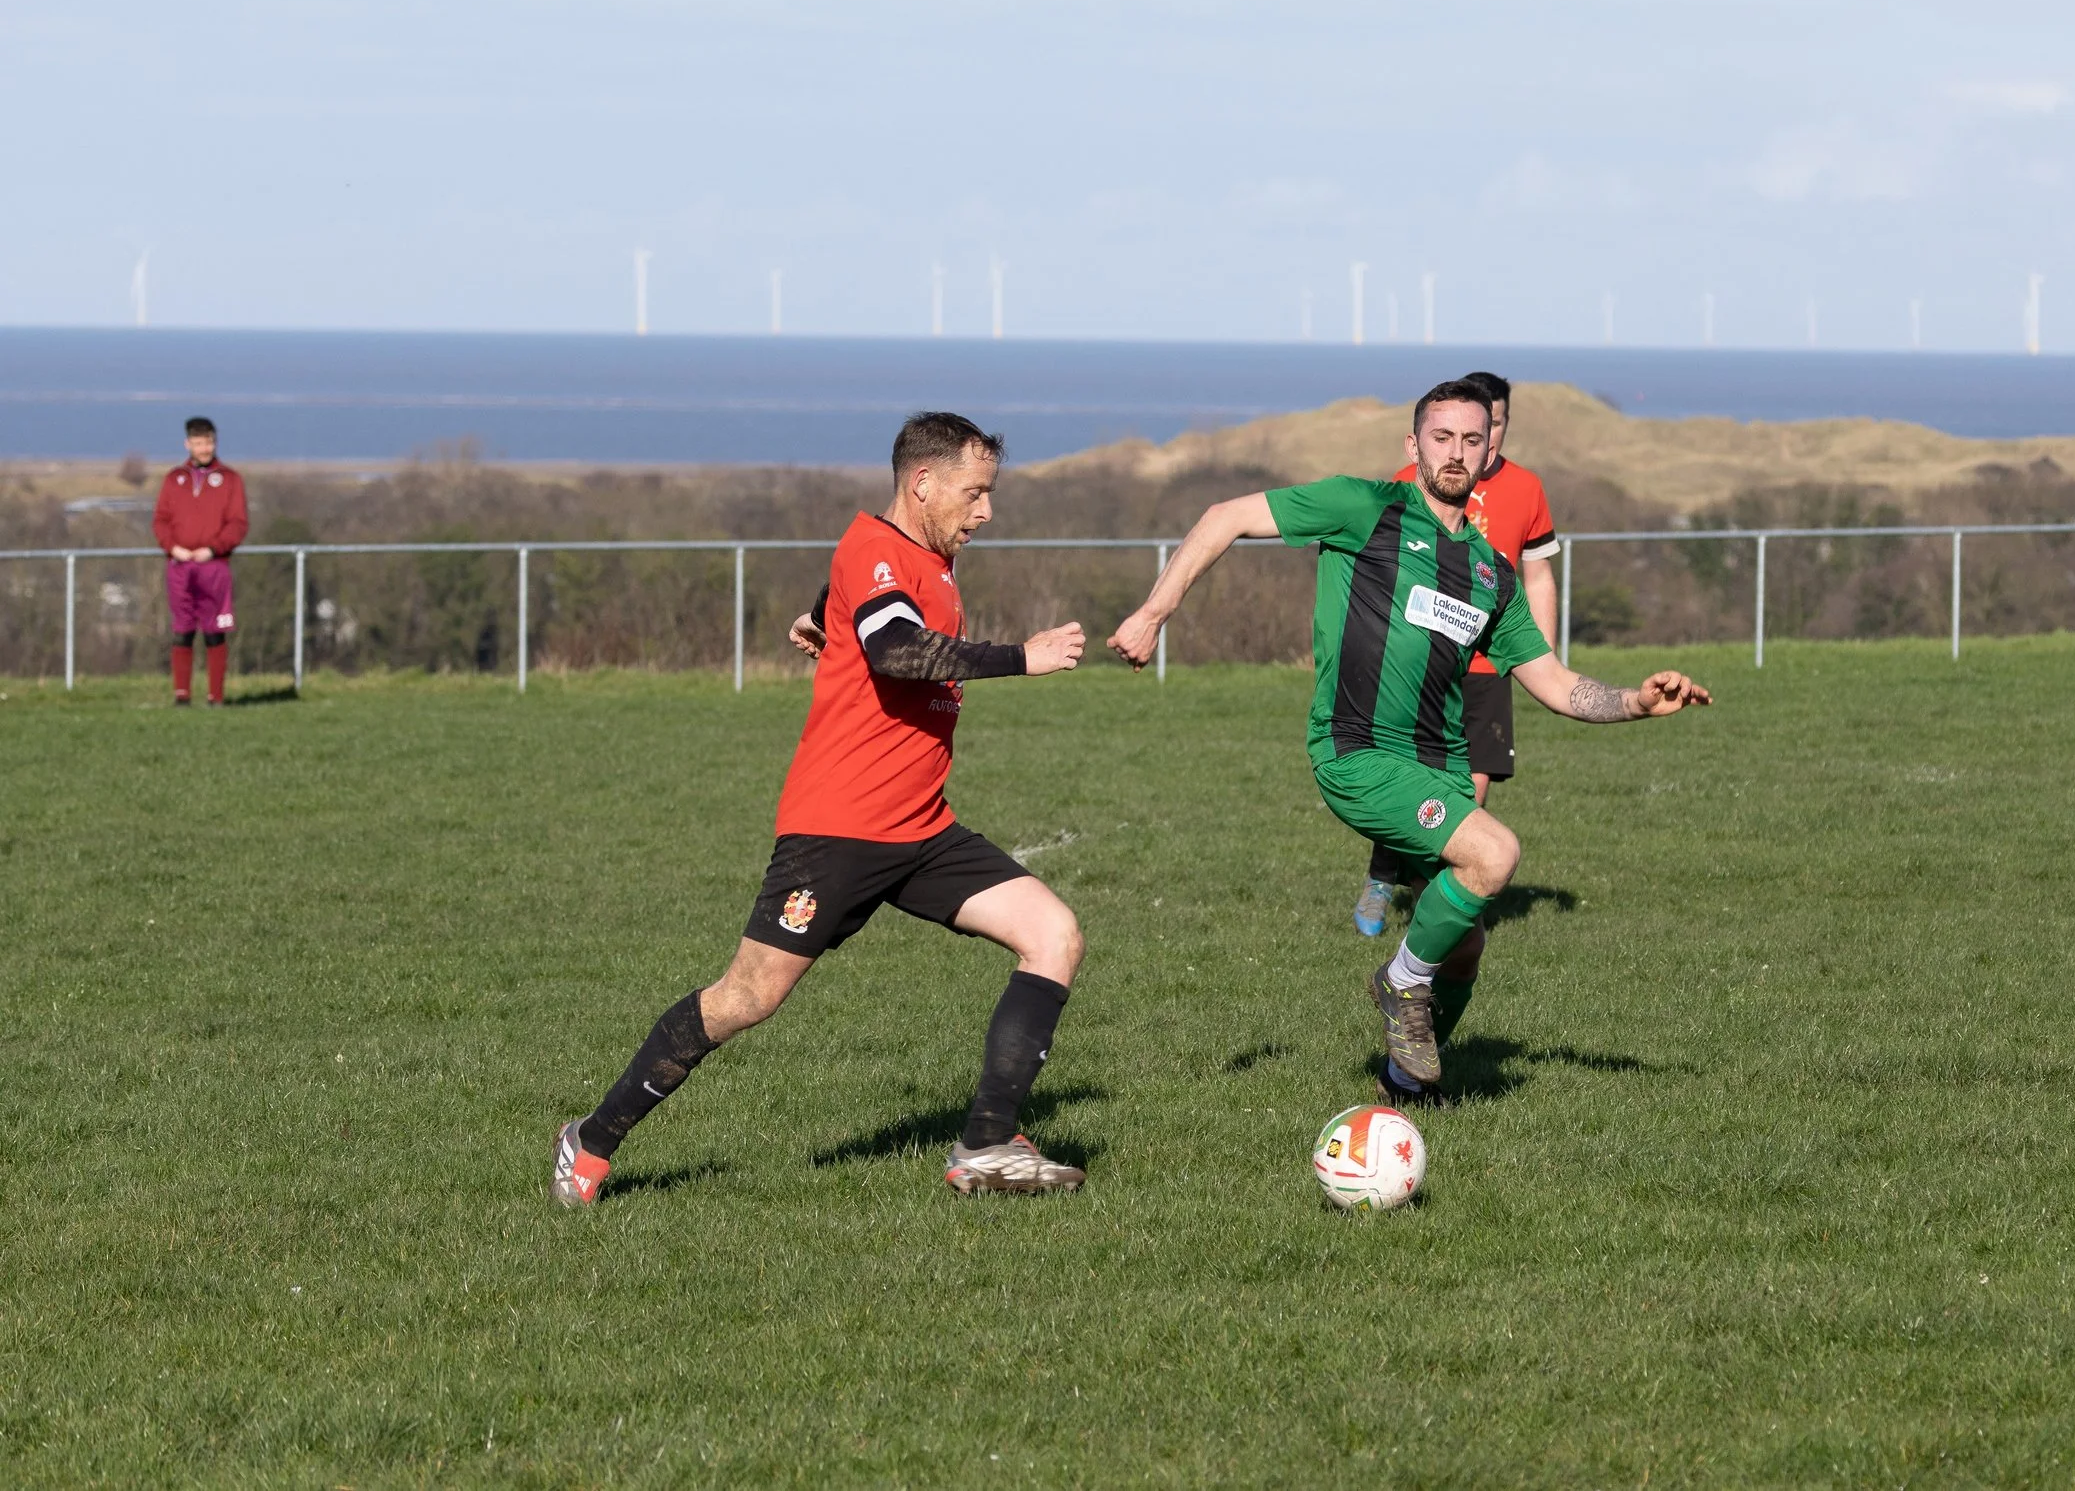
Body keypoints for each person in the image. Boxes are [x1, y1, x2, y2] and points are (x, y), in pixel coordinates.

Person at [1108, 379, 1711, 1105]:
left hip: (1443, 767)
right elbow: (1225, 515)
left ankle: (1406, 1084)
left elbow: (1553, 682)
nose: (1456, 453)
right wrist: (1152, 613)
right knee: (1496, 855)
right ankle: (1399, 981)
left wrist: (1637, 704)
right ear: (1413, 446)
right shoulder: (1366, 508)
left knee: (1466, 947)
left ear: (1493, 452)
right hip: (1357, 751)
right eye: (1441, 438)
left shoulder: (1492, 574)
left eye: (1471, 440)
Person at [553, 412, 1092, 1205]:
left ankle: (985, 1144)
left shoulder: (917, 560)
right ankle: (591, 1140)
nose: (985, 513)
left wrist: (819, 613)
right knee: (747, 999)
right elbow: (896, 650)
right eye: (974, 495)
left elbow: (862, 606)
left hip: (922, 829)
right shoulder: (877, 547)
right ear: (923, 483)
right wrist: (1024, 658)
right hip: (837, 832)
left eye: (990, 495)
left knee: (1054, 934)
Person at [1353, 371, 1560, 938]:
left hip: (1488, 667)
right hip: (1422, 666)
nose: (1481, 439)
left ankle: (1440, 897)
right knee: (1406, 776)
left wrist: (1539, 657)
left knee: (1475, 784)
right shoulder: (1407, 485)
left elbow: (1537, 576)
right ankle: (1382, 875)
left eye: (1493, 426)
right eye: (1466, 430)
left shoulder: (1527, 488)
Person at [151, 416, 249, 706]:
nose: (204, 448)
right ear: (188, 444)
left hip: (214, 566)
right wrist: (173, 548)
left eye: (208, 442)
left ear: (215, 442)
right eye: (198, 443)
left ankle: (215, 697)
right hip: (180, 565)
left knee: (214, 632)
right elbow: (160, 521)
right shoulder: (174, 479)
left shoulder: (230, 479)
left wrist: (213, 548)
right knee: (182, 630)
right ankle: (182, 695)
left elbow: (238, 523)